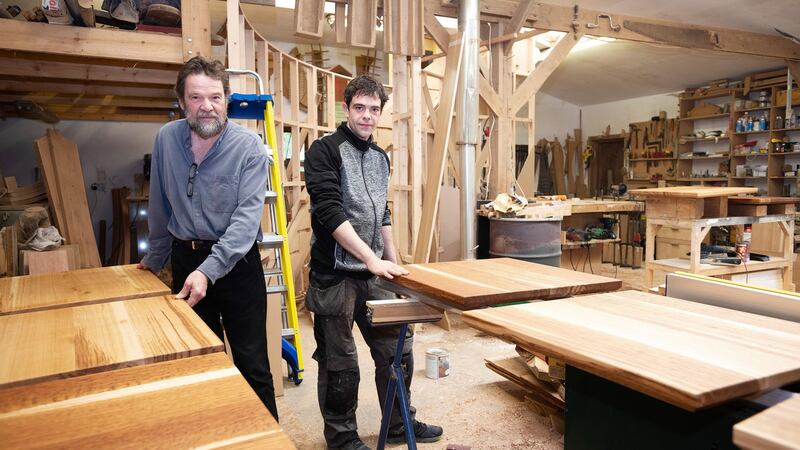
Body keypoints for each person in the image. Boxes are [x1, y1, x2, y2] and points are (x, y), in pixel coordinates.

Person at [304, 75, 443, 450]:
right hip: (334, 277)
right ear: (346, 109)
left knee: (397, 348)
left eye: (374, 110)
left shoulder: (381, 157)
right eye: (360, 108)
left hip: (376, 272)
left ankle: (398, 424)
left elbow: (382, 214)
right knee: (341, 362)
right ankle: (342, 438)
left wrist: (396, 269)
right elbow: (329, 213)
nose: (367, 116)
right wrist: (369, 258)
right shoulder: (324, 151)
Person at [137, 56, 278, 421]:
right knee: (202, 360)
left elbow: (246, 223)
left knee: (252, 365)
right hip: (187, 261)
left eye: (215, 97)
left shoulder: (249, 147)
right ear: (182, 101)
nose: (206, 107)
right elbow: (159, 203)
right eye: (196, 98)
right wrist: (155, 258)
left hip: (236, 266)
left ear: (226, 100)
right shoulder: (167, 140)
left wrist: (209, 270)